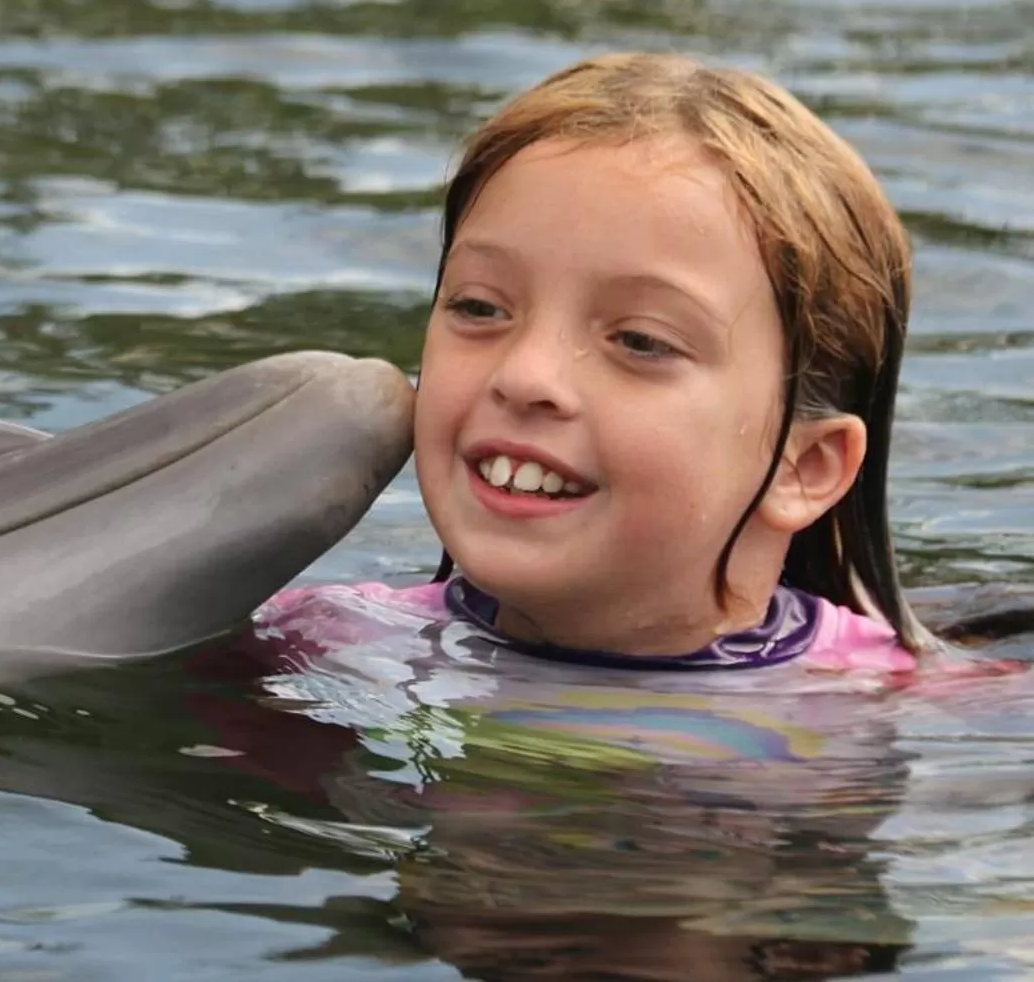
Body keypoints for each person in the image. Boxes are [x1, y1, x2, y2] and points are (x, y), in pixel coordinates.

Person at [257, 51, 931, 678]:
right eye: (480, 307)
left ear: (804, 466)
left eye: (640, 341)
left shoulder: (896, 706)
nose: (525, 376)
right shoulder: (325, 648)